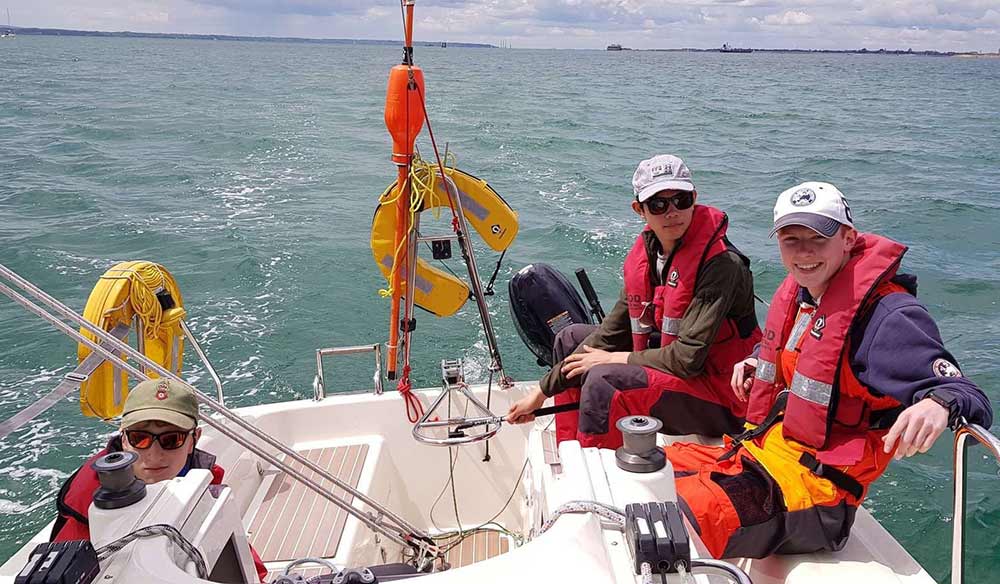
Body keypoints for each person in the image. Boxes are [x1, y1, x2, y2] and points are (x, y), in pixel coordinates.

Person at [666, 181, 993, 559]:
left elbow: (969, 394)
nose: (804, 252)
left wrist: (938, 403)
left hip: (817, 494)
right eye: (791, 240)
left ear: (849, 239)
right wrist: (758, 357)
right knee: (645, 475)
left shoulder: (888, 318)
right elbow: (807, 354)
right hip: (763, 455)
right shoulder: (808, 295)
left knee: (676, 518)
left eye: (818, 238)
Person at [508, 154, 762, 448]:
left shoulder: (721, 264)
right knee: (570, 338)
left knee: (606, 378)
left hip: (725, 397)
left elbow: (687, 359)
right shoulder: (651, 256)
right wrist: (541, 392)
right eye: (658, 204)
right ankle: (572, 449)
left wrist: (613, 359)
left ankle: (596, 474)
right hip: (683, 376)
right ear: (639, 209)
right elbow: (608, 335)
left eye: (681, 200)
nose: (671, 212)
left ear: (694, 198)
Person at [51, 378, 269, 582]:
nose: (154, 455)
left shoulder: (200, 482)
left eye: (171, 439)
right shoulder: (87, 512)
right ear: (124, 439)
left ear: (194, 439)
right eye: (140, 438)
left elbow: (249, 566)